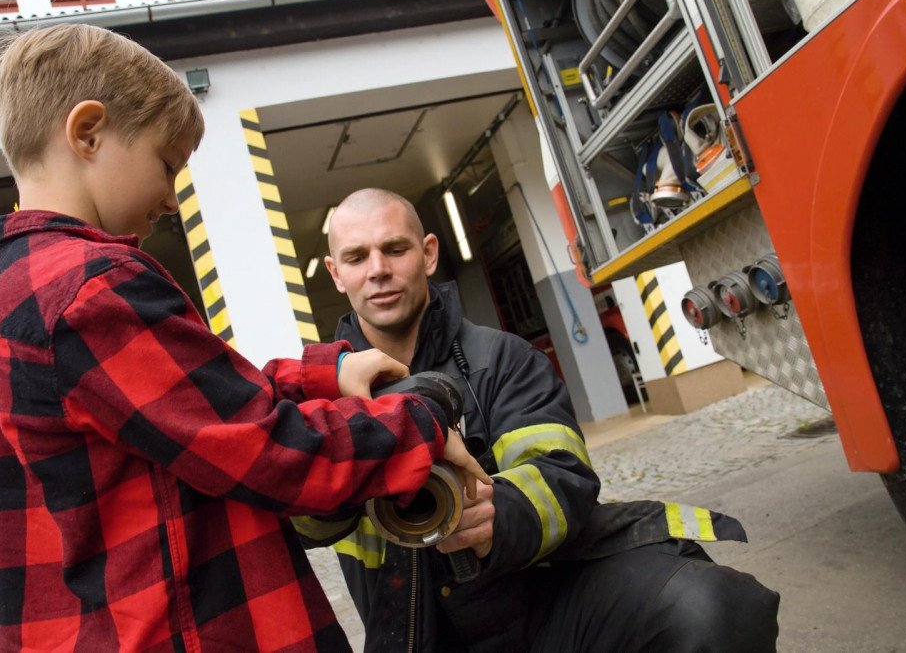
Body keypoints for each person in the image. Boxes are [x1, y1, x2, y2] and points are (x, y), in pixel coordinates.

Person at [0, 26, 489, 651]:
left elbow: (190, 409)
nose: (171, 199)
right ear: (87, 133)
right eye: (167, 165)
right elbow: (261, 446)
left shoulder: (2, 295)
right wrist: (418, 421)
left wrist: (321, 376)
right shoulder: (92, 288)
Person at [294, 188, 780, 652]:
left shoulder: (504, 360)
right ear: (336, 273)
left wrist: (498, 514)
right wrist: (349, 453)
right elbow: (301, 522)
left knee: (710, 609)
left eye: (394, 249)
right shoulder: (321, 401)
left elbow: (563, 476)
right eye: (357, 257)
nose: (378, 270)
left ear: (429, 254)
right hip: (414, 637)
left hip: (543, 614)